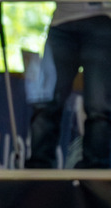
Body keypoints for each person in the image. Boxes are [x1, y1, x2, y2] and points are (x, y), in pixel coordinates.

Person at [25, 3, 111, 169]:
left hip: (103, 20)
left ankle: (95, 171)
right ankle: (38, 170)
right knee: (46, 102)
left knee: (99, 107)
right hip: (62, 22)